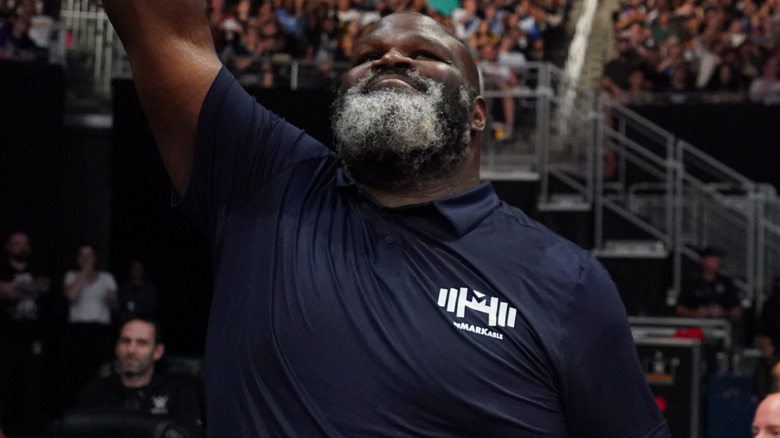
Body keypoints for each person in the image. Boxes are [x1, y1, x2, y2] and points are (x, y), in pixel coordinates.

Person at [101, 3, 669, 436]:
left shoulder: (565, 281)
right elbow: (161, 28)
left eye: (425, 54)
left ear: (476, 116)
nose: (390, 57)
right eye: (365, 56)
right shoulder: (266, 180)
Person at [73, 318, 205, 438]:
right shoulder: (94, 392)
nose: (131, 350)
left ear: (158, 351)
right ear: (117, 347)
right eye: (125, 341)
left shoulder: (180, 393)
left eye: (141, 343)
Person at [0, 232, 50, 436]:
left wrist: (14, 289)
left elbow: (43, 287)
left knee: (31, 384)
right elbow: (6, 293)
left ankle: (29, 429)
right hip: (5, 336)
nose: (21, 247)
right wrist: (30, 289)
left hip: (33, 337)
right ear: (8, 247)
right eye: (16, 243)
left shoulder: (39, 267)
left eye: (25, 243)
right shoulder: (2, 268)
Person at [61, 244, 118, 410]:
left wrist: (112, 299)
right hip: (77, 329)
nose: (86, 259)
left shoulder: (106, 278)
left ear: (96, 258)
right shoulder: (71, 276)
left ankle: (98, 408)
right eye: (82, 255)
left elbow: (115, 307)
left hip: (99, 330)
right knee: (75, 372)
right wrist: (84, 273)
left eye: (89, 256)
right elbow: (71, 296)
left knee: (99, 371)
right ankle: (74, 409)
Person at [675, 247, 743, 319]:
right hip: (696, 325)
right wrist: (695, 313)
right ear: (705, 261)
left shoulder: (726, 283)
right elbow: (679, 308)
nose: (718, 262)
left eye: (718, 259)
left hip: (721, 326)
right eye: (714, 259)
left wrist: (723, 313)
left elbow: (737, 309)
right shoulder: (692, 282)